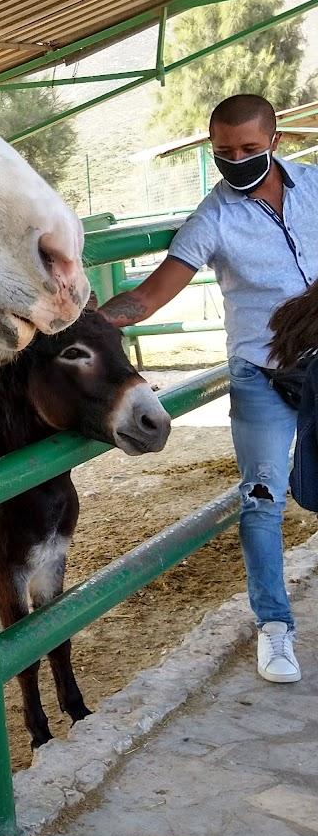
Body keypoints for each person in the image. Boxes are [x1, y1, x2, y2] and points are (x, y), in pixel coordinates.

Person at [98, 93, 318, 684]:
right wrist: (88, 321)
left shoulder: (314, 186)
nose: (236, 161)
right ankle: (274, 627)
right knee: (262, 496)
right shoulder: (213, 219)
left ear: (274, 141)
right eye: (224, 152)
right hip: (262, 372)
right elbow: (148, 296)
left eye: (249, 148)